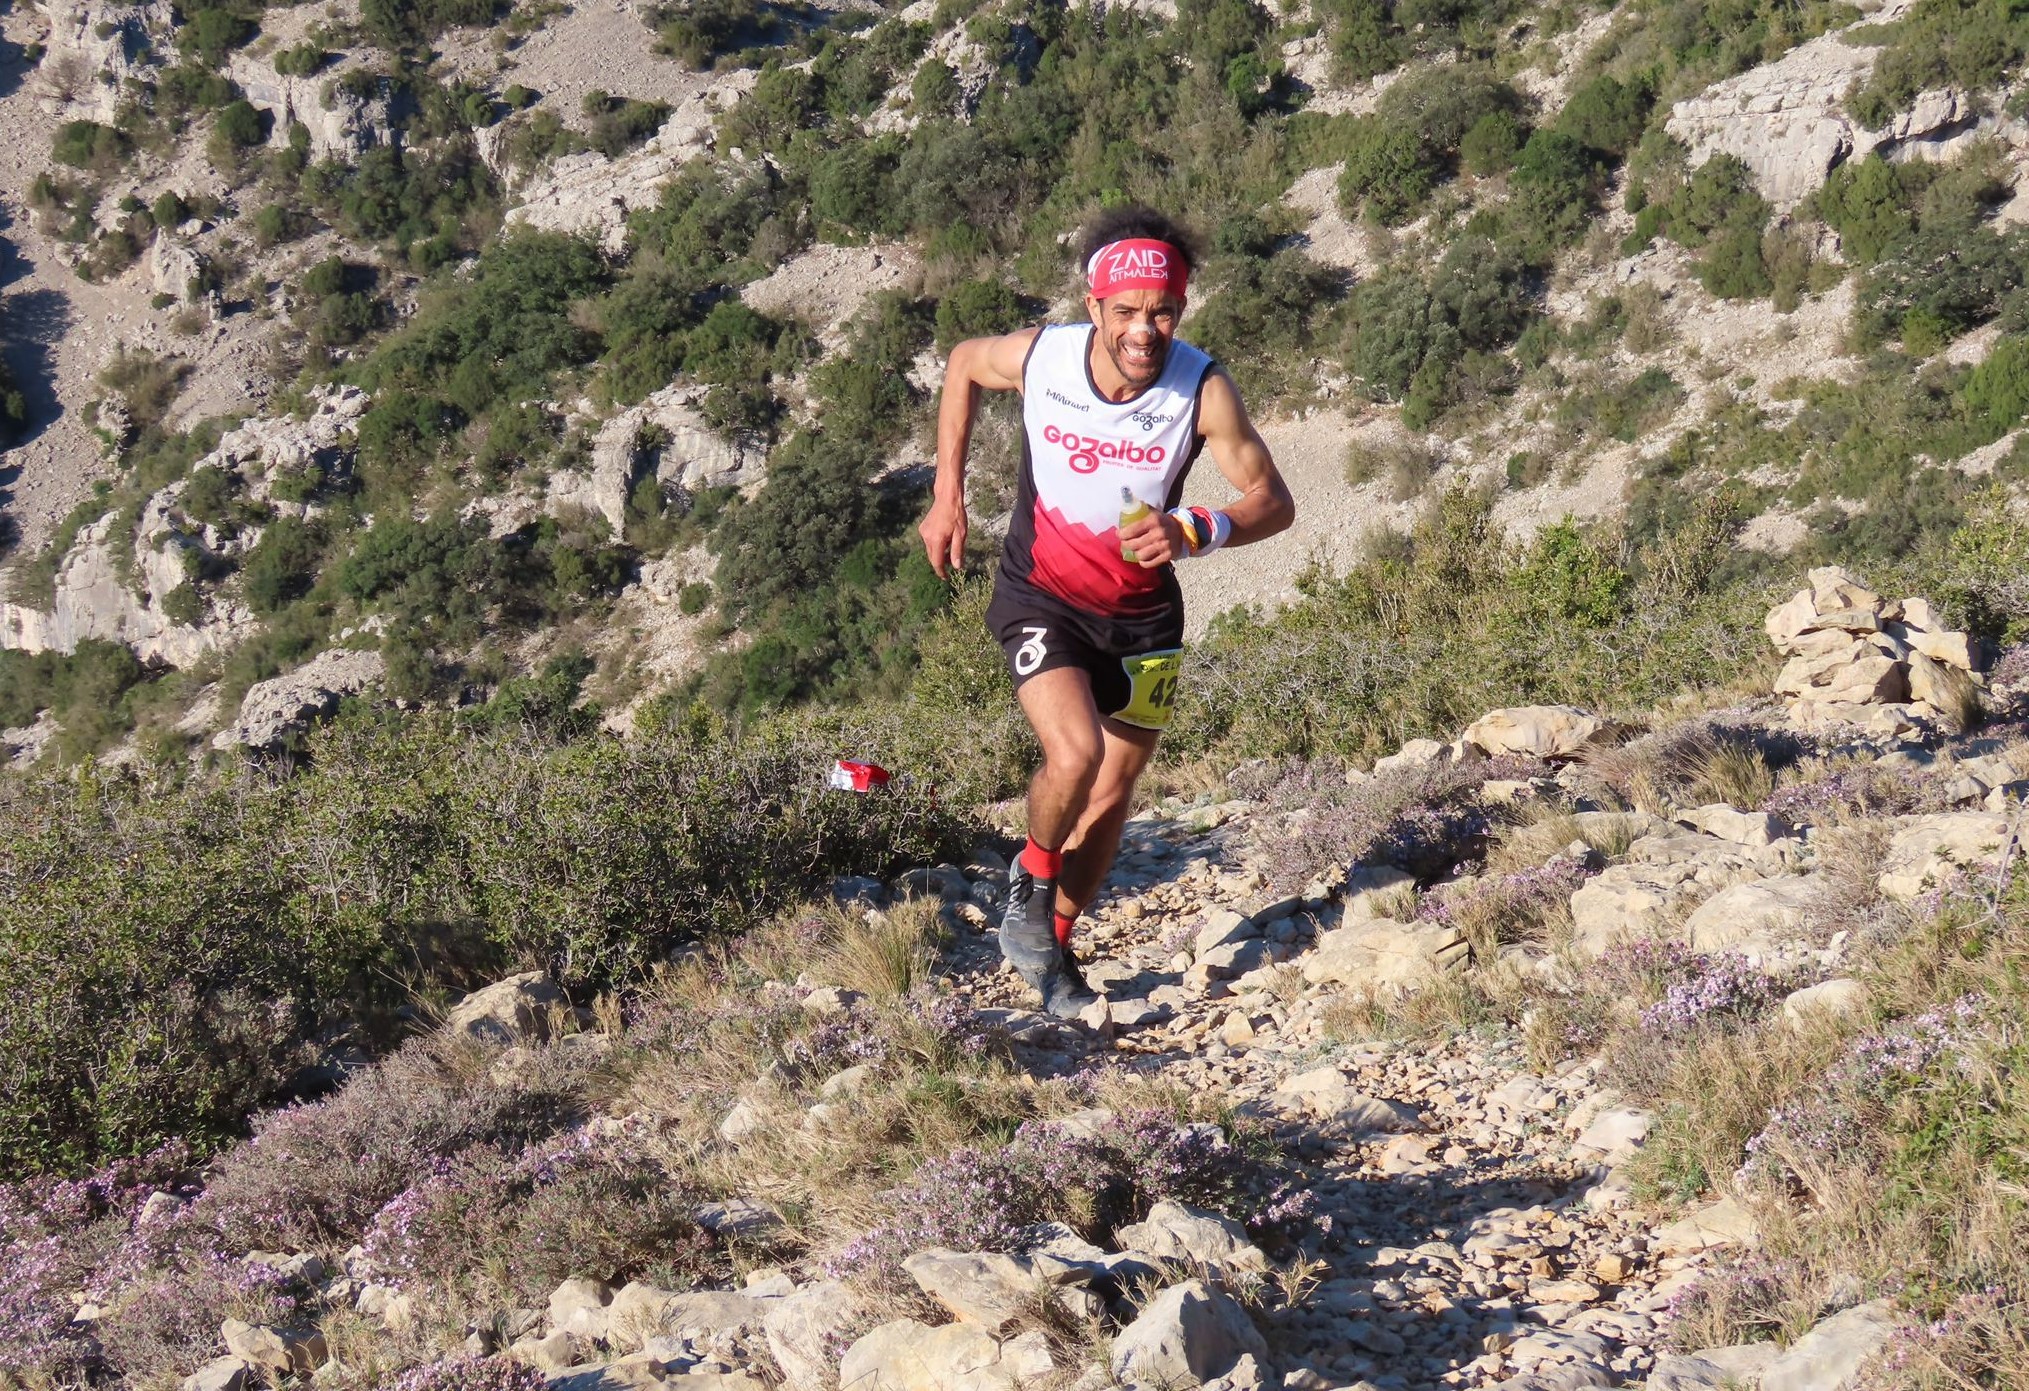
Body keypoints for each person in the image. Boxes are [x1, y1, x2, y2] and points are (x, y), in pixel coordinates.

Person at [917, 206, 1297, 1018]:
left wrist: (1199, 528)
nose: (1143, 329)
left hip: (1143, 619)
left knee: (1115, 789)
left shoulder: (1201, 387)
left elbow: (1272, 500)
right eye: (1125, 311)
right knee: (1075, 754)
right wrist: (946, 496)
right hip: (1041, 596)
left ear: (1180, 310)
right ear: (1094, 307)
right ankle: (1031, 868)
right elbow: (960, 366)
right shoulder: (1043, 357)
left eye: (1160, 311)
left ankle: (1049, 944)